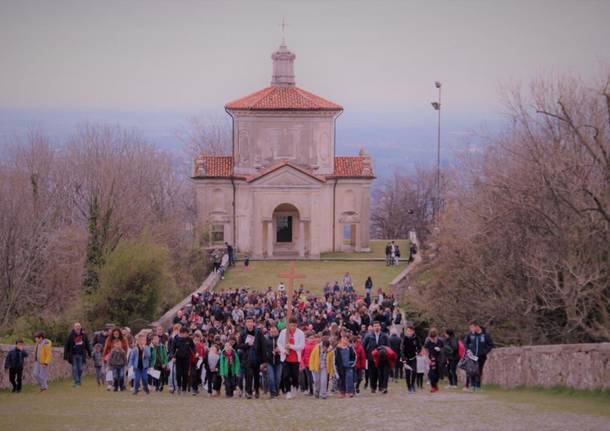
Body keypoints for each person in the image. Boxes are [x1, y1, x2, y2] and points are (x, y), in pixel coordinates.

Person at [237, 317, 266, 399]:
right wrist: (247, 345)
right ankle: (248, 392)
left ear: (253, 323)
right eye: (248, 322)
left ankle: (256, 390)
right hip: (247, 358)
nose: (249, 323)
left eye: (251, 322)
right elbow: (239, 345)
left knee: (256, 376)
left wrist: (263, 360)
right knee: (248, 376)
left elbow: (263, 346)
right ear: (245, 323)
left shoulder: (258, 332)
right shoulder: (243, 333)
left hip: (257, 358)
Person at [278, 317, 305, 400]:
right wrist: (283, 350)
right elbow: (279, 343)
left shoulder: (300, 333)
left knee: (295, 375)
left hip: (296, 358)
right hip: (286, 358)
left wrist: (291, 346)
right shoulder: (283, 332)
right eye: (291, 325)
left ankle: (295, 387)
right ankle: (288, 391)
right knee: (286, 375)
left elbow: (302, 346)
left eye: (294, 326)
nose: (293, 327)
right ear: (288, 325)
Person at [464, 321, 494, 391]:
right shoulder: (470, 335)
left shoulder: (485, 334)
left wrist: (485, 352)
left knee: (479, 371)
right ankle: (472, 385)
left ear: (477, 327)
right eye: (470, 328)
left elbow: (490, 344)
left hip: (481, 356)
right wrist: (468, 350)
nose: (471, 329)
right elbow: (466, 343)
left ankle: (478, 386)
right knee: (472, 371)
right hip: (472, 356)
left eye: (472, 327)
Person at [363, 320, 389, 393]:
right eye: (375, 326)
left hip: (382, 358)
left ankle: (382, 387)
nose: (376, 327)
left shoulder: (385, 336)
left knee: (382, 373)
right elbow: (363, 347)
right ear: (373, 327)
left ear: (380, 327)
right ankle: (373, 387)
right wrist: (365, 356)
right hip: (371, 358)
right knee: (372, 373)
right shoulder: (368, 336)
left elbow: (388, 347)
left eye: (378, 326)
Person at [63, 322, 92, 387]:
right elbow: (66, 345)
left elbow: (87, 345)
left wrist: (90, 353)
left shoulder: (84, 335)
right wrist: (65, 355)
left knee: (81, 369)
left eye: (79, 326)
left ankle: (77, 380)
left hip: (81, 355)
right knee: (75, 368)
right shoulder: (70, 335)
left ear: (80, 327)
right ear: (74, 328)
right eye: (76, 326)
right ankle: (77, 382)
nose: (78, 328)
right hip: (73, 355)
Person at [171, 327, 195, 395]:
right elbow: (172, 349)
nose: (188, 335)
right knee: (178, 374)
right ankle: (178, 387)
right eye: (187, 334)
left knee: (185, 374)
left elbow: (193, 347)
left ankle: (184, 389)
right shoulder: (175, 339)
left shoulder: (189, 339)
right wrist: (173, 357)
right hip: (178, 359)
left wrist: (195, 353)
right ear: (182, 333)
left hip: (186, 359)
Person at [401, 325, 421, 393]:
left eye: (410, 331)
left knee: (414, 371)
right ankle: (409, 387)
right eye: (408, 331)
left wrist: (417, 352)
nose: (409, 332)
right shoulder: (404, 338)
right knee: (407, 373)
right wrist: (403, 359)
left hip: (413, 357)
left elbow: (419, 347)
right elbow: (402, 349)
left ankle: (412, 384)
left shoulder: (416, 338)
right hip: (406, 358)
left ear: (413, 331)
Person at [264, 324, 282, 398]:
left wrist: (280, 350)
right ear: (269, 332)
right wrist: (270, 352)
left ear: (277, 331)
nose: (273, 333)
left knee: (278, 378)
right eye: (272, 331)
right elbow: (264, 350)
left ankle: (277, 392)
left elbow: (284, 348)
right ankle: (273, 394)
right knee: (271, 378)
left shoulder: (280, 339)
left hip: (279, 362)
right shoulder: (266, 339)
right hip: (269, 362)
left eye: (275, 331)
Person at [424, 328, 444, 393]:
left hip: (439, 359)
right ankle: (433, 387)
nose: (433, 339)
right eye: (432, 338)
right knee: (431, 374)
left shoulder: (440, 341)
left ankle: (436, 385)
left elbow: (444, 349)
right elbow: (426, 350)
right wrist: (427, 358)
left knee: (437, 374)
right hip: (431, 359)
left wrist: (440, 349)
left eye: (434, 338)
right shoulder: (428, 341)